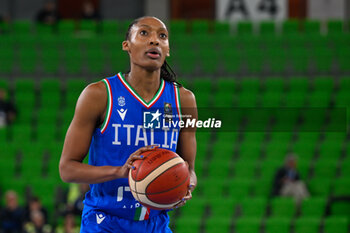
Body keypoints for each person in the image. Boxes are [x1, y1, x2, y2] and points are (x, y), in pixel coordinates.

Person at [59, 16, 197, 233]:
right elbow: (67, 169)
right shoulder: (99, 94)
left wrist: (185, 185)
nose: (154, 41)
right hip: (104, 222)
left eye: (162, 36)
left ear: (168, 49)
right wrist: (120, 171)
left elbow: (189, 167)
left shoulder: (184, 99)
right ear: (127, 46)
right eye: (144, 33)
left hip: (156, 225)